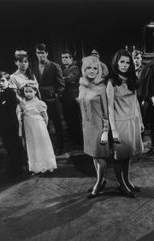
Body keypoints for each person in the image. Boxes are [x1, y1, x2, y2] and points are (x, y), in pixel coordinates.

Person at [106, 49, 144, 198]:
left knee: (128, 155)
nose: (125, 65)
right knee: (119, 156)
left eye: (128, 62)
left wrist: (140, 120)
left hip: (132, 120)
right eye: (122, 62)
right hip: (119, 122)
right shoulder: (111, 82)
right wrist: (113, 130)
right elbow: (109, 108)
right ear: (116, 62)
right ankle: (121, 184)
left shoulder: (131, 80)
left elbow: (135, 102)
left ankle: (127, 181)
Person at [77, 56, 110, 198]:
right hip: (87, 126)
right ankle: (101, 180)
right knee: (94, 156)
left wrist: (105, 131)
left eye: (95, 68)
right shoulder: (81, 85)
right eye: (89, 68)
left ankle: (98, 185)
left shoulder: (102, 87)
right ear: (84, 69)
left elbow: (106, 111)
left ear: (99, 70)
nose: (92, 71)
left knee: (100, 156)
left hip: (99, 127)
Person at [0, 71, 27, 177]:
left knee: (15, 144)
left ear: (7, 81)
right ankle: (14, 166)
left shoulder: (11, 93)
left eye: (3, 81)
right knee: (7, 145)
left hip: (11, 123)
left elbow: (6, 106)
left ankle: (19, 168)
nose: (0, 83)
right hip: (1, 124)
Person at [17, 82, 57, 174]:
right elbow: (20, 114)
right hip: (28, 127)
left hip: (39, 126)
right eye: (26, 91)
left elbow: (45, 117)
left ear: (35, 92)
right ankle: (35, 166)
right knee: (32, 145)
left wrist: (44, 128)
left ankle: (47, 165)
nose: (28, 93)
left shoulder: (39, 103)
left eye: (30, 91)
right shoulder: (23, 103)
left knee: (41, 144)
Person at [33, 43, 65, 155]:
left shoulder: (54, 66)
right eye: (38, 53)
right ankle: (47, 148)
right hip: (38, 100)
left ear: (47, 53)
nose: (40, 55)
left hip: (52, 100)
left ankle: (60, 146)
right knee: (43, 125)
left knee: (57, 124)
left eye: (42, 53)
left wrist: (56, 96)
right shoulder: (33, 66)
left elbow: (61, 84)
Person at [61, 49, 82, 145]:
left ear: (71, 58)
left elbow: (69, 79)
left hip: (73, 97)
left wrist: (60, 78)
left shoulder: (75, 68)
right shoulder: (63, 69)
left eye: (66, 57)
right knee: (68, 118)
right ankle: (72, 137)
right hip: (65, 97)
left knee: (74, 119)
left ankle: (78, 139)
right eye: (62, 57)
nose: (64, 59)